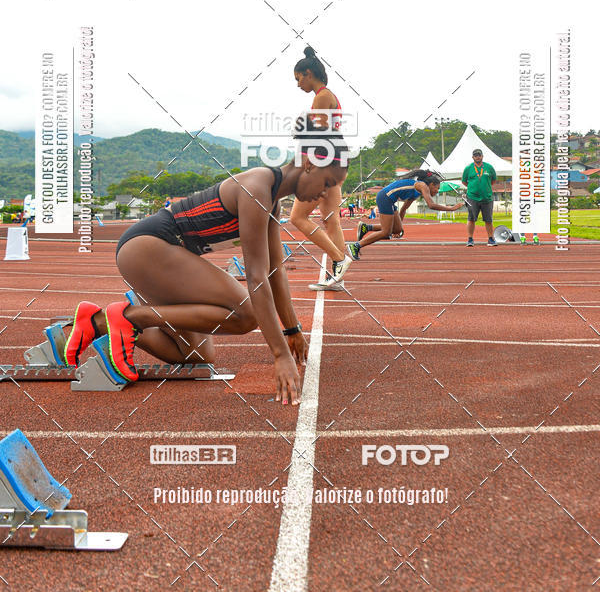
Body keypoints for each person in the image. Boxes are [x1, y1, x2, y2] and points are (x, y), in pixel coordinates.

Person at [63, 132, 349, 406]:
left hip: (164, 256)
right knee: (247, 313)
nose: (325, 194)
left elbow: (275, 270)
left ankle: (98, 322)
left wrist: (292, 329)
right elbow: (257, 278)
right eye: (327, 183)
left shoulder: (272, 203)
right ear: (310, 164)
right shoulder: (257, 187)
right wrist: (280, 355)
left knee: (195, 354)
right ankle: (129, 317)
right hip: (148, 247)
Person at [291, 46, 352, 289]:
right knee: (330, 220)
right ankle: (338, 277)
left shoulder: (322, 97)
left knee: (298, 217)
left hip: (326, 162)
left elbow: (319, 135)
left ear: (308, 73)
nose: (298, 85)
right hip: (336, 161)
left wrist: (307, 160)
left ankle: (339, 260)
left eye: (298, 79)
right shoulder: (328, 96)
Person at [349, 170, 463, 258]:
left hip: (389, 200)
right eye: (437, 188)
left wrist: (399, 226)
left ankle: (367, 227)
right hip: (385, 198)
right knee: (386, 232)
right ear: (431, 184)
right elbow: (431, 205)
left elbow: (403, 209)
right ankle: (356, 246)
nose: (437, 191)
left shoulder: (416, 193)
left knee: (397, 230)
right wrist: (451, 208)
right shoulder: (422, 185)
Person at [462, 148, 497, 246]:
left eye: (479, 155)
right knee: (471, 218)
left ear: (482, 156)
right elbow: (464, 181)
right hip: (472, 198)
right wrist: (472, 188)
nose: (477, 157)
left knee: (488, 219)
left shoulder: (489, 167)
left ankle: (491, 239)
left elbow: (493, 180)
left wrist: (485, 187)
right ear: (472, 157)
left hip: (487, 198)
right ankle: (470, 239)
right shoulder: (468, 168)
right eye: (475, 155)